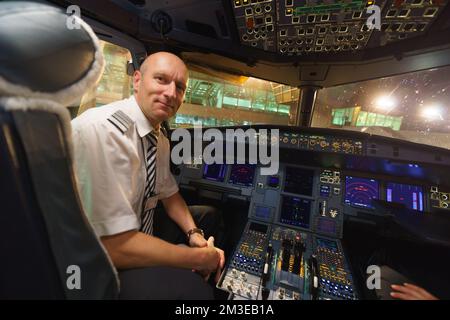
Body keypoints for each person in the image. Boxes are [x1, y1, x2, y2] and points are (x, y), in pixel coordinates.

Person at [72, 51, 225, 299]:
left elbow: (170, 194)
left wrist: (194, 235)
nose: (171, 93)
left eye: (180, 87)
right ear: (137, 80)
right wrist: (196, 258)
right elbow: (114, 246)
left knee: (209, 215)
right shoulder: (105, 132)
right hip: (94, 261)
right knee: (197, 295)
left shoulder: (158, 137)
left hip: (136, 229)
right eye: (161, 79)